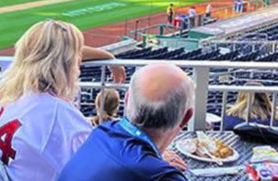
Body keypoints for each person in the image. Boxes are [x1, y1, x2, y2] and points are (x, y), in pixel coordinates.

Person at [0, 20, 125, 181]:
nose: (80, 60)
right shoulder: (56, 113)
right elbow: (96, 170)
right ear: (64, 63)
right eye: (76, 55)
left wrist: (108, 56)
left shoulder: (10, 93)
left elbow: (50, 52)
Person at [59, 63, 194, 181]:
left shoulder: (101, 133)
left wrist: (154, 159)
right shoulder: (162, 176)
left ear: (127, 99)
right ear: (186, 118)